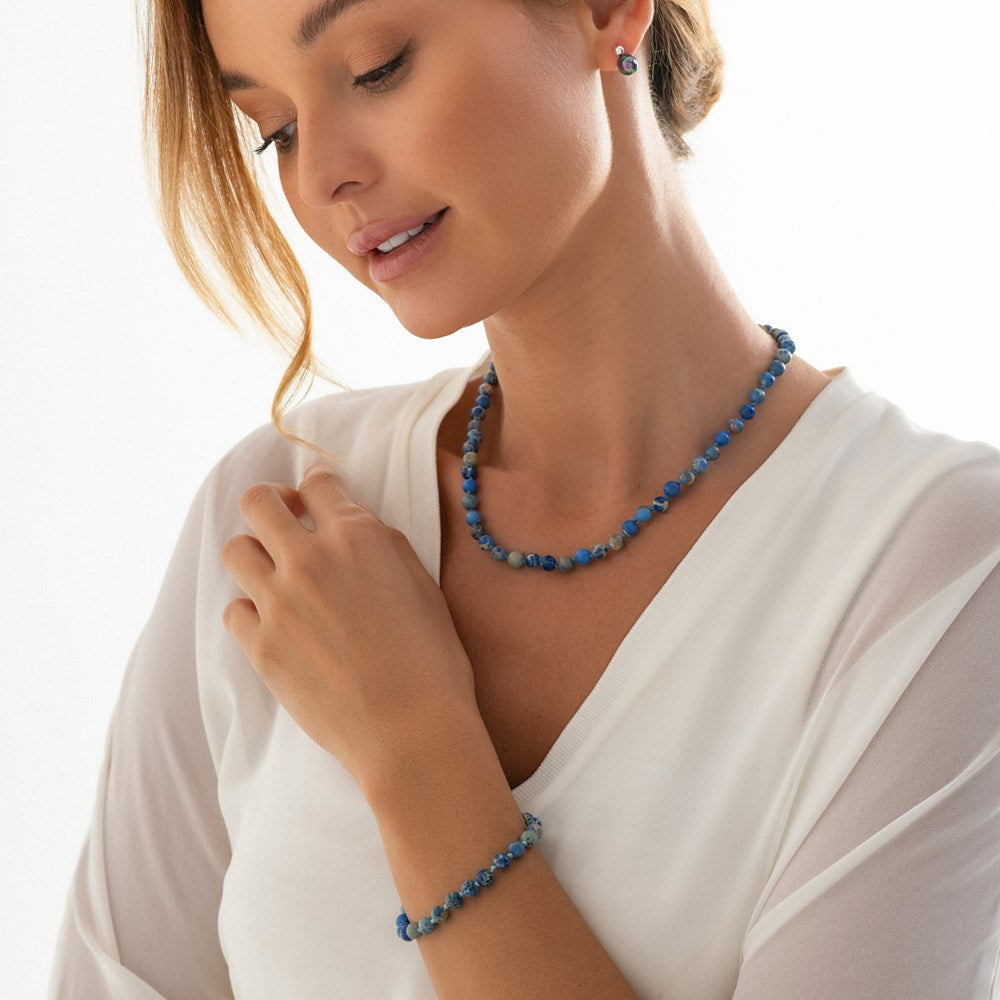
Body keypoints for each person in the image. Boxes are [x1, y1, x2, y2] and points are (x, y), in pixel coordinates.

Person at [49, 0, 1000, 997]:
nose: (323, 173)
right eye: (275, 130)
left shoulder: (931, 571)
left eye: (377, 68)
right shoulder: (277, 522)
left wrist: (418, 753)